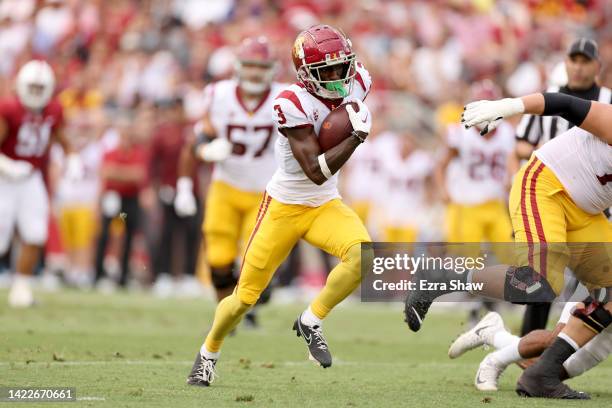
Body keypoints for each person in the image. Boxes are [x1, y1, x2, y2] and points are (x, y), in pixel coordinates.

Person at [186, 24, 373, 386]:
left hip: (324, 206)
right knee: (244, 298)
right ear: (305, 74)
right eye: (327, 71)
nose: (337, 78)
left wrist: (353, 127)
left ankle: (311, 320)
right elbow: (315, 171)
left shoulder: (359, 80)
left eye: (342, 67)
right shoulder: (291, 102)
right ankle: (208, 353)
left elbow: (322, 184)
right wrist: (356, 137)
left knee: (364, 254)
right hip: (284, 206)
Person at [405, 90, 612, 398]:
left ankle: (540, 376)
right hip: (546, 185)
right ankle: (441, 278)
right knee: (536, 285)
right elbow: (564, 104)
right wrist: (507, 106)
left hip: (586, 211)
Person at [175, 36, 284, 323]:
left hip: (266, 190)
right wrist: (204, 152)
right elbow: (198, 138)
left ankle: (253, 298)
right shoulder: (218, 94)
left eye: (261, 66)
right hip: (226, 185)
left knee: (255, 259)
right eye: (249, 65)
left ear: (272, 69)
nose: (255, 73)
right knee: (219, 261)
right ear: (238, 67)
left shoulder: (284, 98)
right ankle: (228, 316)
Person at [512, 38, 612, 337]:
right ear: (565, 63)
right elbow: (521, 146)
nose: (579, 68)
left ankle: (537, 361)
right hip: (550, 190)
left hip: (592, 206)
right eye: (574, 60)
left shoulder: (606, 97)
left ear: (598, 67)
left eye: (585, 61)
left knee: (603, 292)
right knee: (539, 286)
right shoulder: (553, 98)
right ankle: (450, 278)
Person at [0, 60, 82, 307]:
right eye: (32, 87)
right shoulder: (9, 109)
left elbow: (60, 137)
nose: (35, 93)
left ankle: (21, 289)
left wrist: (72, 157)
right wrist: (7, 165)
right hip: (4, 177)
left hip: (31, 178)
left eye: (40, 88)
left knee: (36, 232)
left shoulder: (53, 110)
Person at [448, 302, 611, 394]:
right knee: (557, 341)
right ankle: (494, 361)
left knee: (557, 369)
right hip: (601, 285)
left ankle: (493, 334)